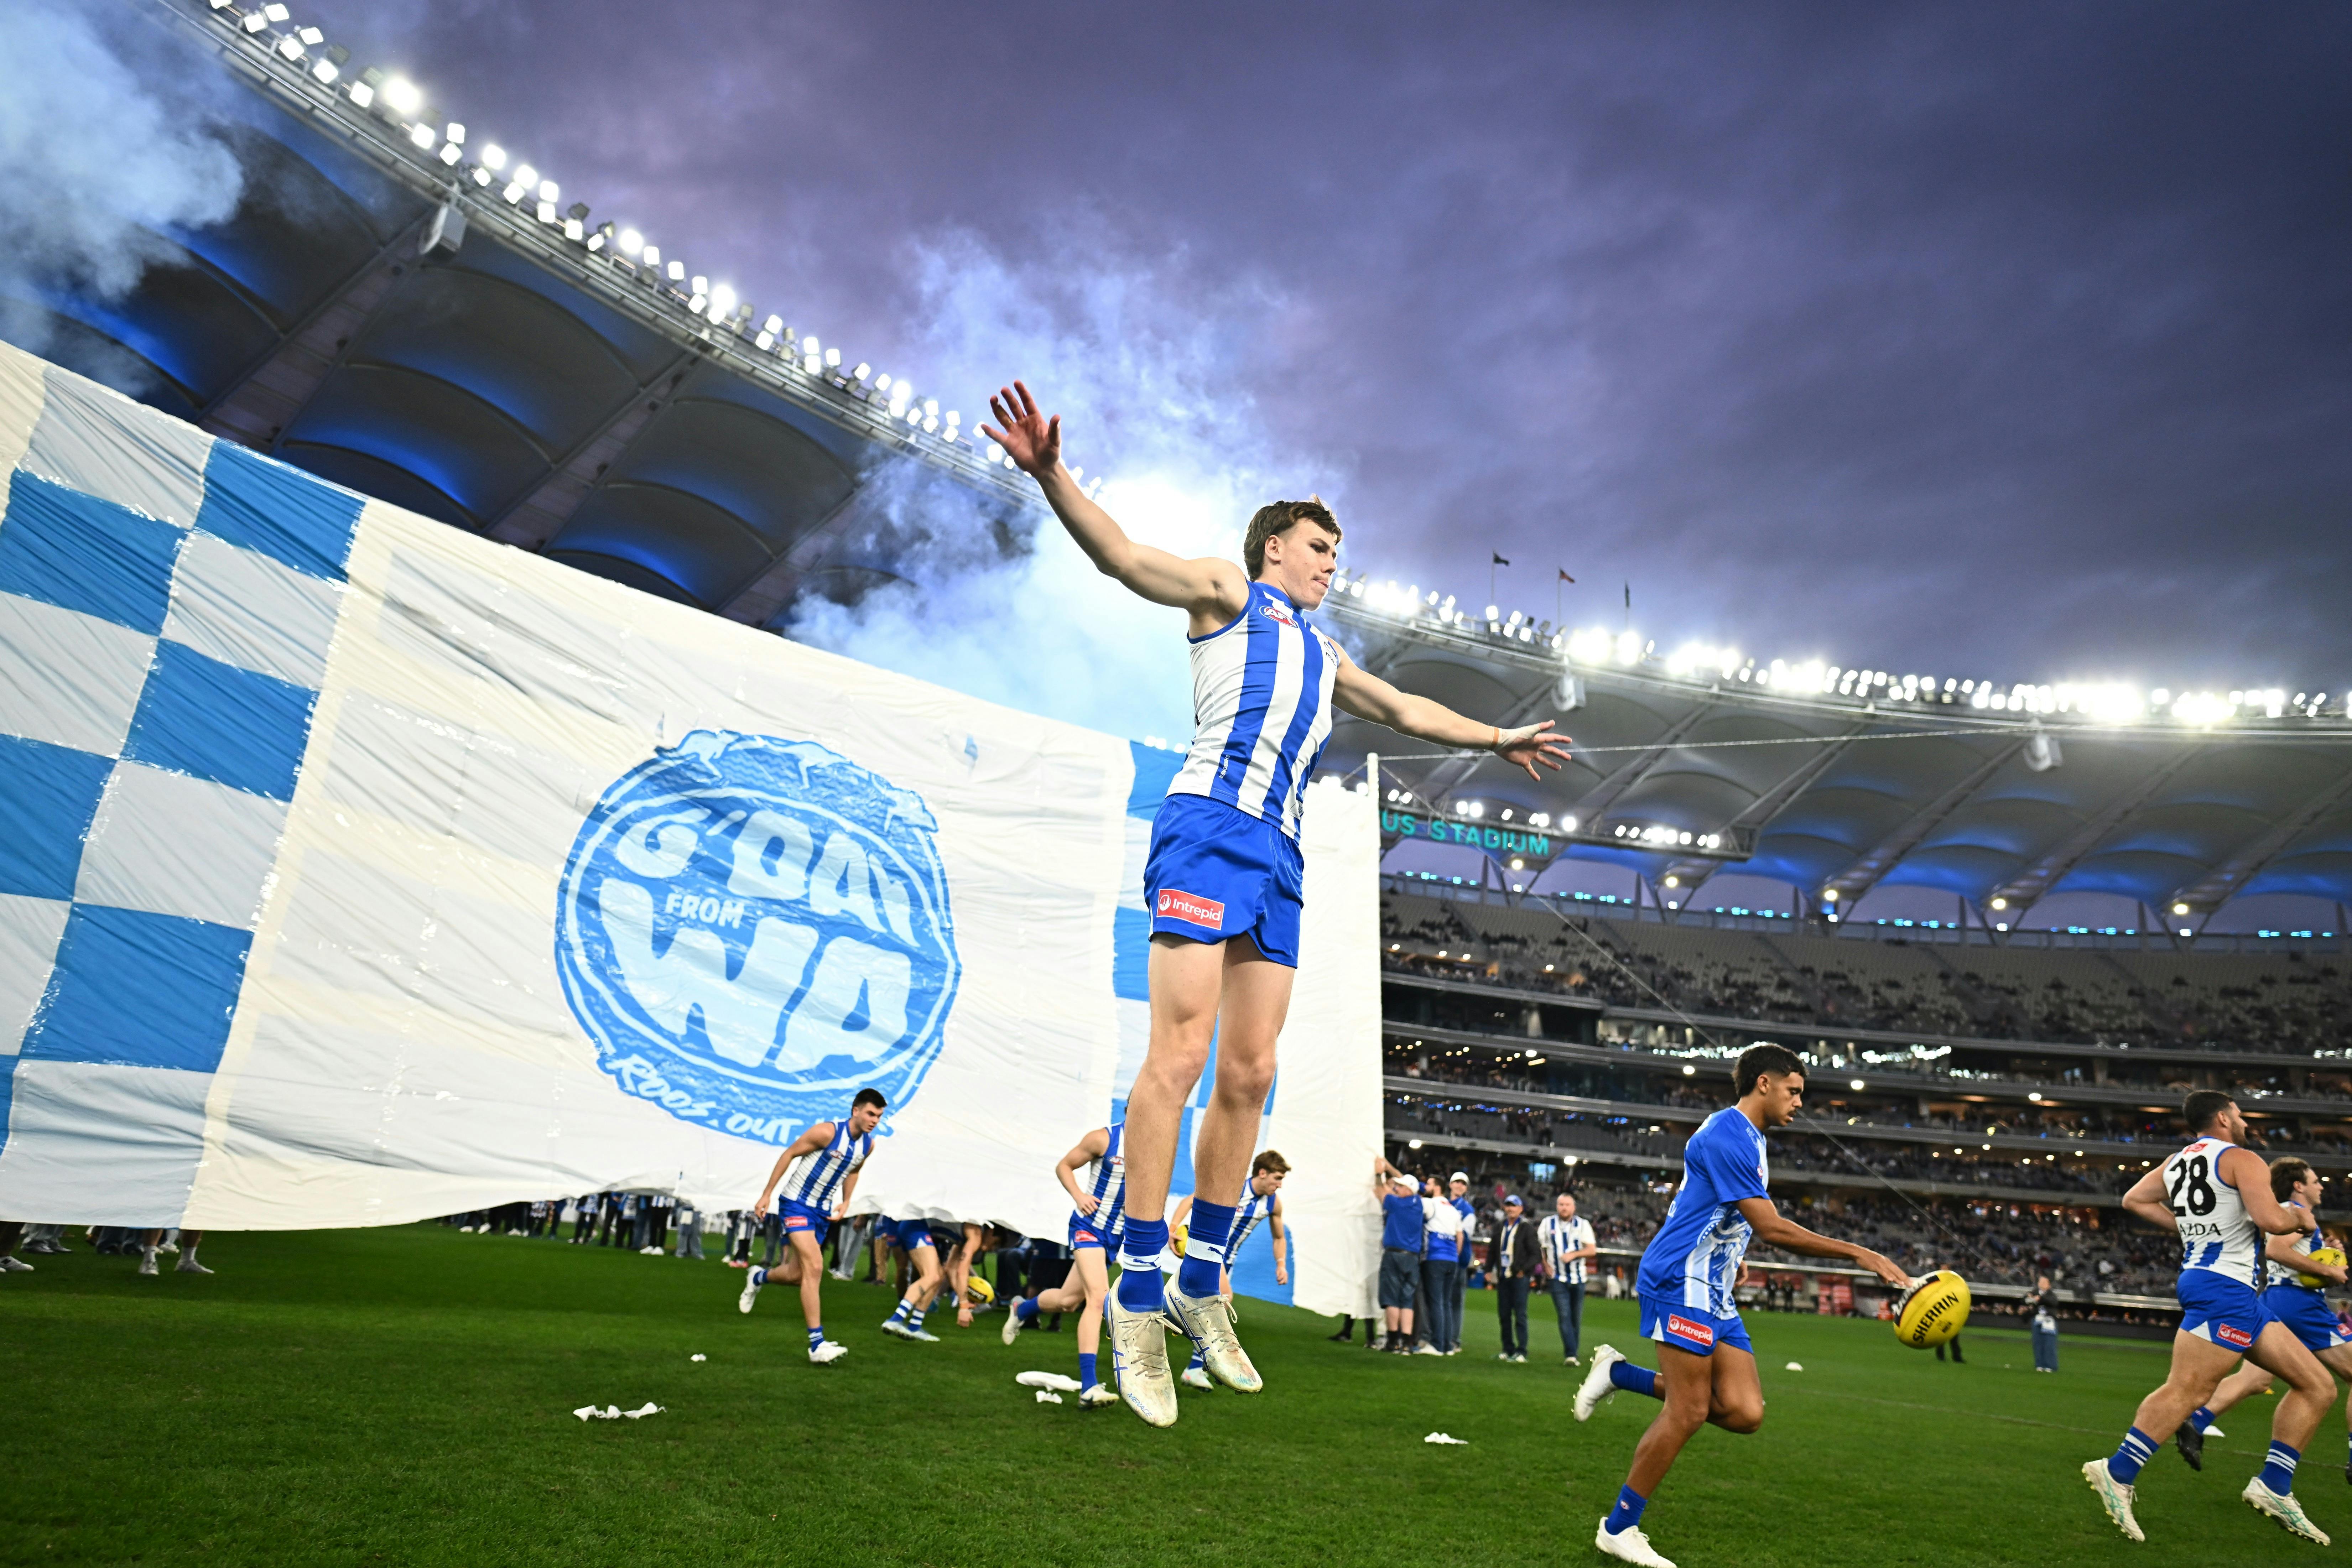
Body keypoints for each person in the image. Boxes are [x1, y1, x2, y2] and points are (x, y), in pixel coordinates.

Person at [983, 382, 1572, 1426]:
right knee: (1178, 1054)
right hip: (1207, 826)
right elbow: (1122, 557)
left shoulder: (1326, 653)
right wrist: (1047, 475)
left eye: (1333, 552)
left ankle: (1203, 1274)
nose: (1327, 563)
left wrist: (1496, 739)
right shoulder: (1225, 593)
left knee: (1251, 1070)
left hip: (1279, 855)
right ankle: (1136, 1284)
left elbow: (1404, 709)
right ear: (1271, 553)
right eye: (1314, 547)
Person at [1575, 1043, 1910, 1568]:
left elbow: (1707, 1204)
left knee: (1745, 1411)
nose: (1799, 1101)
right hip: (1681, 1277)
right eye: (1794, 1090)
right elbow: (1772, 1226)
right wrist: (1858, 1252)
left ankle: (1619, 1373)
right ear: (1764, 1083)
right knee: (1688, 1410)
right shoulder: (1729, 1134)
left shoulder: (1749, 1137)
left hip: (1713, 1282)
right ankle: (1619, 1527)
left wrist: (1733, 1255)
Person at [2084, 1093, 2334, 1544]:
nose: (2243, 1120)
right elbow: (2269, 1221)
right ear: (2222, 1117)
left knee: (2318, 1385)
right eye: (2238, 1113)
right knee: (2188, 1389)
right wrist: (2300, 1220)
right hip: (2223, 1287)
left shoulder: (2179, 1160)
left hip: (2226, 1287)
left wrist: (2191, 1228)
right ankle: (2116, 1471)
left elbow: (2134, 1199)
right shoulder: (2243, 1158)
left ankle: (2273, 1485)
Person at [2174, 1158, 2352, 1484]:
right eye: (2315, 1180)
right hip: (2301, 1305)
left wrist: (2327, 1252)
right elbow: (2276, 1250)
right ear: (2299, 1185)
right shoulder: (2296, 1211)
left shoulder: (2287, 1211)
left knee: (2255, 1379)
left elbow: (2289, 1251)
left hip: (2276, 1300)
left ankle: (2196, 1420)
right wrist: (2329, 1270)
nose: (2321, 1186)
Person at [735, 1089, 887, 1365]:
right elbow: (790, 1153)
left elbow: (853, 1170)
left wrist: (847, 1201)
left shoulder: (868, 1145)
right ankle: (817, 1344)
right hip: (796, 1204)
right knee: (815, 1267)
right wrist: (767, 1194)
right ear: (856, 1110)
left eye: (879, 1116)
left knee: (797, 1275)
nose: (875, 1120)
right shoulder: (827, 1133)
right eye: (870, 1113)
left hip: (821, 1211)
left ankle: (758, 1278)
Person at [1001, 1123, 1128, 1409]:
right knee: (1099, 1298)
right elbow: (1064, 1166)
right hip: (1089, 1228)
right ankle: (1089, 1386)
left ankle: (1022, 1308)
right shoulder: (1104, 1139)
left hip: (1114, 1236)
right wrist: (1079, 1196)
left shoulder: (1155, 1146)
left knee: (1068, 1301)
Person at [1172, 1152, 1293, 1387]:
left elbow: (1279, 1237)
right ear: (1262, 1173)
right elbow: (1190, 1200)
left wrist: (1281, 1264)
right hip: (1208, 1251)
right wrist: (1173, 1228)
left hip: (1228, 1260)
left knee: (1194, 1305)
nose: (1279, 1184)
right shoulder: (1234, 1188)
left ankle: (1192, 1364)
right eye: (1277, 1178)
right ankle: (1203, 1364)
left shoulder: (1273, 1203)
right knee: (1224, 1299)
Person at [1372, 1157, 1426, 1352]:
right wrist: (1390, 1168)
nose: (1397, 1188)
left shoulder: (1397, 1203)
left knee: (1392, 1299)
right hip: (1412, 1257)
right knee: (1407, 1301)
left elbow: (1380, 1192)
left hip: (1395, 1255)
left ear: (1408, 1191)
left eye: (1401, 1187)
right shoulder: (1419, 1204)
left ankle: (1393, 1341)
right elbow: (1405, 1182)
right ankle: (1407, 1342)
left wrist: (1380, 1173)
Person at [1542, 1191, 1599, 1364]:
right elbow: (1542, 1247)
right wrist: (1545, 1265)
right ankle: (1571, 1354)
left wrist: (1574, 1255)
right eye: (1561, 1205)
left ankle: (1573, 1352)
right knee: (1565, 1315)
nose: (1564, 1208)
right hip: (1557, 1278)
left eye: (1567, 1205)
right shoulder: (1547, 1223)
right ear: (1557, 1206)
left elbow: (1592, 1250)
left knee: (1575, 1318)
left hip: (1578, 1279)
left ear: (1574, 1208)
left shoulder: (1583, 1225)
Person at [878, 1213, 948, 1343]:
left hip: (915, 1224)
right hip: (914, 1225)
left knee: (938, 1276)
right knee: (931, 1275)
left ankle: (915, 1326)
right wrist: (964, 1304)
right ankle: (896, 1319)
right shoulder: (974, 1234)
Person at [1490, 1195, 1541, 1362]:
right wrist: (1488, 1269)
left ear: (1521, 1209)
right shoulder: (1499, 1227)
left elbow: (1536, 1255)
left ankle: (1522, 1351)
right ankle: (1508, 1348)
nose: (1511, 1209)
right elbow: (1493, 1250)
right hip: (1504, 1277)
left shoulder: (1527, 1229)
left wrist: (1524, 1271)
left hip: (1519, 1278)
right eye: (1508, 1206)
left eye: (1514, 1206)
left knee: (1520, 1315)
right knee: (1504, 1314)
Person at [2026, 1275, 2060, 1374]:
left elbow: (2053, 1302)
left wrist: (2040, 1299)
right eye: (2040, 1282)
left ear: (2049, 1285)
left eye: (2044, 1282)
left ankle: (2051, 1366)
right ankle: (2040, 1364)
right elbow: (2025, 1299)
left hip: (2049, 1321)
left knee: (2049, 1343)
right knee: (2038, 1343)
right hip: (2037, 1320)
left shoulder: (2051, 1294)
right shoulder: (2034, 1292)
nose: (2041, 1284)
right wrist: (2028, 1298)